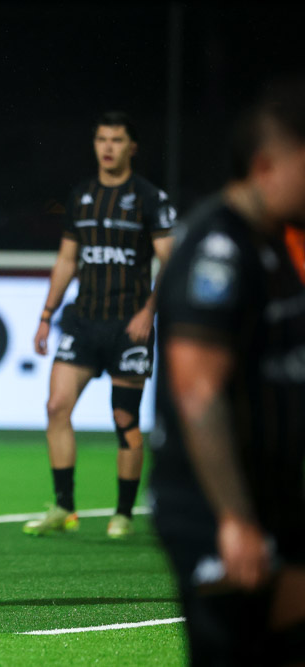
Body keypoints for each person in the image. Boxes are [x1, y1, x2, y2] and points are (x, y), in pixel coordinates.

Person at [150, 80, 305, 665]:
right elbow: (198, 392)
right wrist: (235, 519)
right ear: (267, 165)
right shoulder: (219, 246)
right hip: (216, 507)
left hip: (276, 493)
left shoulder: (275, 244)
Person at [25, 112, 175, 538]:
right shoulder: (82, 196)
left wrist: (149, 311)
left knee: (124, 420)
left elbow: (170, 259)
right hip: (82, 322)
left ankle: (124, 513)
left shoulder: (148, 197)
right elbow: (67, 260)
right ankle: (64, 508)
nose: (108, 147)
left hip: (129, 327)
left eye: (117, 140)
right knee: (56, 407)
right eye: (102, 139)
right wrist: (46, 316)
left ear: (132, 148)